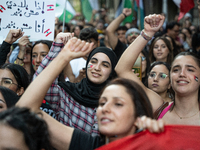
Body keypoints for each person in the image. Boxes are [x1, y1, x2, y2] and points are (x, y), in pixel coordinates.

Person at [16, 40, 164, 149]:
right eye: (93, 61)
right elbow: (26, 108)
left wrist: (150, 134)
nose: (105, 109)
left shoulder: (139, 143)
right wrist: (61, 55)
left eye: (118, 104)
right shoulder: (67, 94)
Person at [116, 14, 200, 126]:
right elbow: (122, 69)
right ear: (170, 79)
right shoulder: (159, 107)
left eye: (190, 69)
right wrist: (147, 33)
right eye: (176, 70)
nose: (182, 74)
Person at [32, 35, 117, 136]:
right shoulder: (67, 95)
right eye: (93, 62)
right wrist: (57, 45)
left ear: (111, 72)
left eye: (105, 65)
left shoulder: (115, 103)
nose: (97, 68)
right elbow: (39, 83)